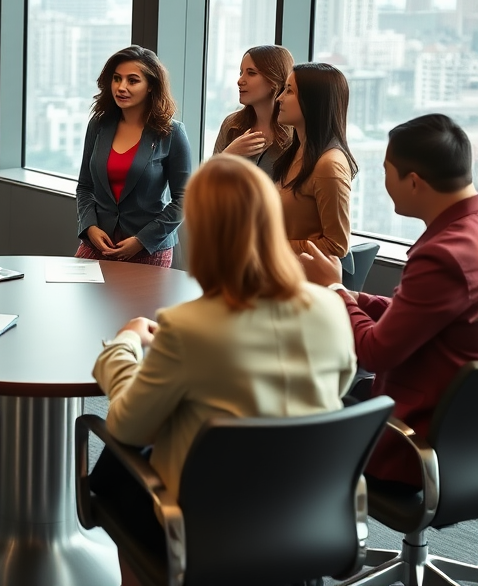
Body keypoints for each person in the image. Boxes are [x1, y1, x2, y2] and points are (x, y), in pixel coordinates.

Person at [90, 154, 356, 585]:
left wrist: (124, 345)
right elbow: (334, 393)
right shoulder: (330, 308)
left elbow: (126, 426)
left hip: (205, 525)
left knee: (118, 469)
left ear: (207, 234)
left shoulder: (189, 326)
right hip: (306, 513)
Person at [299, 114, 478, 490]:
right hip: (464, 433)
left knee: (281, 419)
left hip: (412, 441)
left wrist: (333, 290)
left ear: (413, 182)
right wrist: (354, 297)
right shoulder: (467, 235)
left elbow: (374, 352)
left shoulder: (442, 255)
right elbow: (422, 313)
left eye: (387, 171)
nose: (384, 183)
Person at [75, 45, 191, 267]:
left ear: (150, 86)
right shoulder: (98, 125)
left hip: (149, 248)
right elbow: (85, 187)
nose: (121, 87)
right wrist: (90, 228)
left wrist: (142, 240)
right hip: (98, 243)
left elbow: (183, 199)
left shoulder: (171, 132)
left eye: (133, 80)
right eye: (117, 79)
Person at [273, 62, 357, 257]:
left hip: (304, 281)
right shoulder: (294, 151)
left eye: (289, 91)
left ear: (314, 101)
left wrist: (273, 247)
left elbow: (337, 246)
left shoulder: (329, 165)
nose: (279, 99)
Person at [212, 44, 294, 177]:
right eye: (241, 73)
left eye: (251, 73)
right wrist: (228, 155)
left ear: (274, 79)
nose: (240, 81)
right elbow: (208, 185)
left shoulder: (295, 134)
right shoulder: (231, 124)